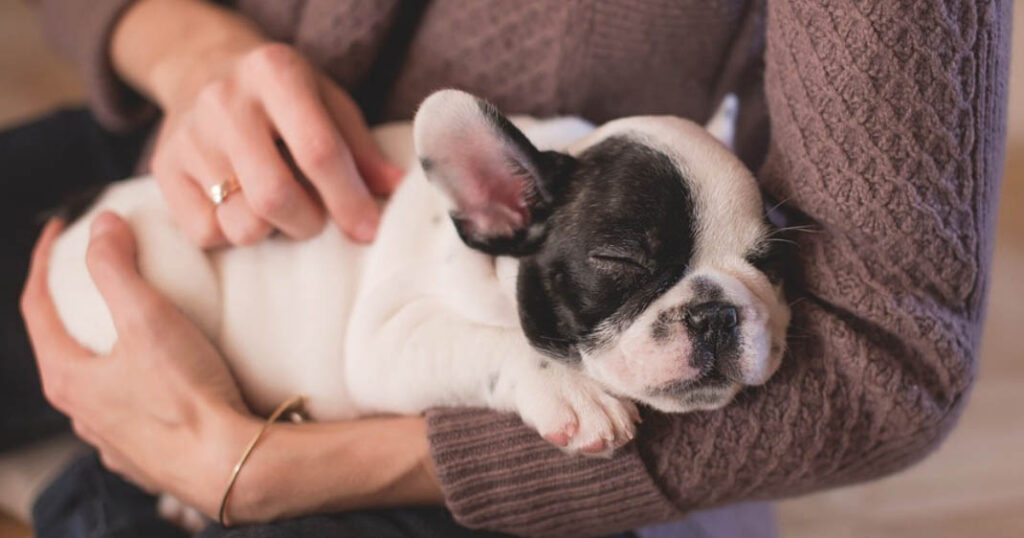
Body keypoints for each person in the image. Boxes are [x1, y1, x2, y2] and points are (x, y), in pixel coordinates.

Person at [5, 0, 1010, 536]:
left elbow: (890, 355)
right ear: (494, 208)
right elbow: (388, 348)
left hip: (388, 410)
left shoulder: (591, 211)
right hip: (191, 189)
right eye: (629, 269)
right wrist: (183, 42)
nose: (712, 313)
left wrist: (256, 470)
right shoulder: (508, 206)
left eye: (757, 267)